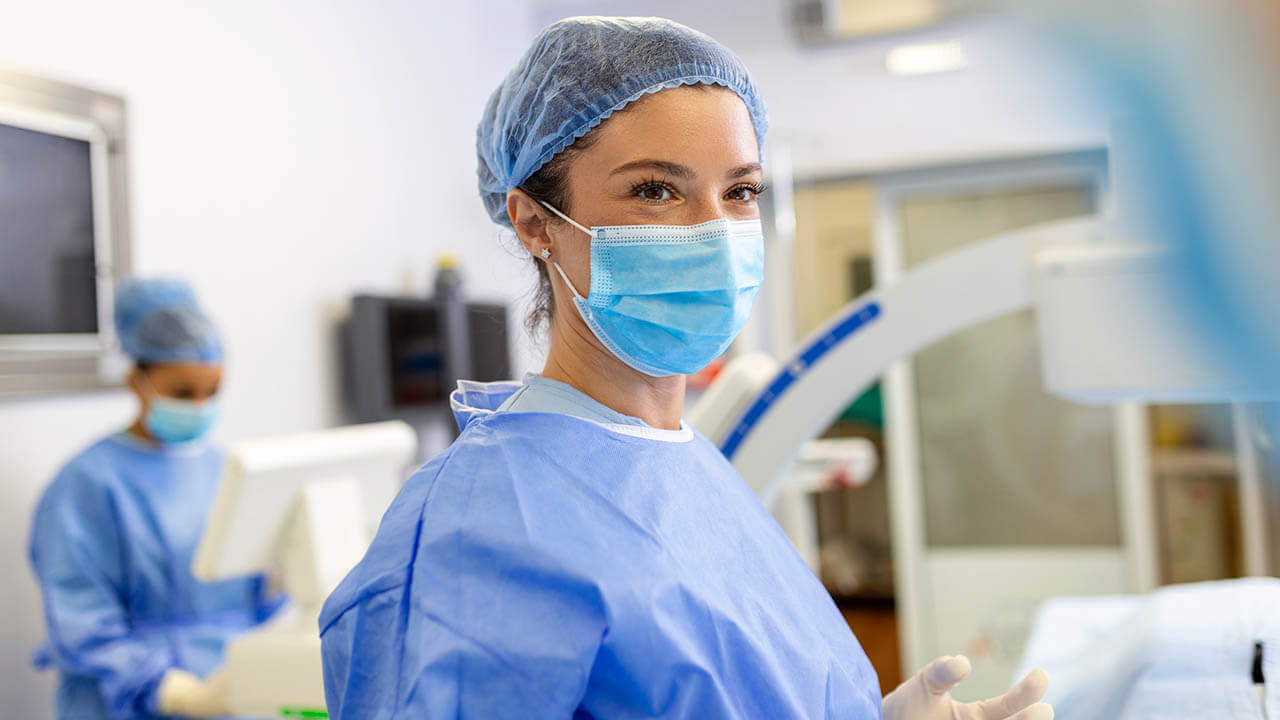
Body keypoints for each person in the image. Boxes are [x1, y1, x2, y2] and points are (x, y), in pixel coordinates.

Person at [319, 16, 1053, 720]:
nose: (715, 232)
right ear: (534, 222)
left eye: (739, 191)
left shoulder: (692, 472)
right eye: (655, 190)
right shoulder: (477, 529)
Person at [29, 278, 285, 719]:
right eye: (184, 392)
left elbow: (255, 600)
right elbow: (80, 619)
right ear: (137, 381)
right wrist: (170, 690)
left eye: (213, 391)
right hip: (127, 702)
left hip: (234, 695)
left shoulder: (228, 469)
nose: (201, 406)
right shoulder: (87, 484)